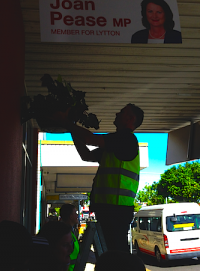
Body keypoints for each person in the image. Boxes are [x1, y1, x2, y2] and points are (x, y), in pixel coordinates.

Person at [55, 103, 144, 252]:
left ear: (130, 119)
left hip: (116, 209)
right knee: (111, 253)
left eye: (121, 112)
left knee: (115, 255)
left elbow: (90, 139)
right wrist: (72, 129)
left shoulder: (125, 139)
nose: (117, 114)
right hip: (112, 208)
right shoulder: (116, 145)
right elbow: (86, 155)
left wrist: (67, 124)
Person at [60, 204, 80, 271]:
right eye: (75, 213)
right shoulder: (65, 233)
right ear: (71, 217)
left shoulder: (69, 232)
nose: (77, 215)